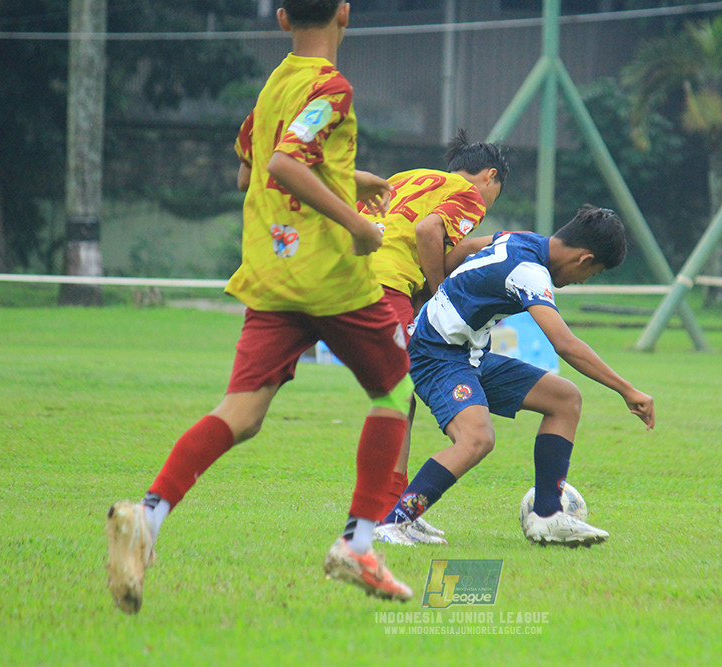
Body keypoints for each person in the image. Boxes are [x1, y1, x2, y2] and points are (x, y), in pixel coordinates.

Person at [104, 0, 415, 614]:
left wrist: (357, 178)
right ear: (345, 13)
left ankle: (148, 516)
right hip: (330, 279)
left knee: (241, 413)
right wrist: (359, 226)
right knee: (394, 391)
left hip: (271, 276)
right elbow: (283, 164)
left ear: (280, 19)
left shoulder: (275, 84)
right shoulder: (333, 87)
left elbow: (252, 162)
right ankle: (359, 542)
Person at [380, 206, 655, 546]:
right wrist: (627, 390)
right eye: (592, 273)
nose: (583, 281)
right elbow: (565, 344)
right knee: (476, 440)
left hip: (469, 355)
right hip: (435, 354)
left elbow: (466, 249)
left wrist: (441, 291)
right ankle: (394, 522)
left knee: (564, 399)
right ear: (584, 259)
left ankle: (548, 516)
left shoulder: (523, 241)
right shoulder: (529, 272)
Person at [359, 129, 510, 545]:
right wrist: (442, 293)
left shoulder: (411, 177)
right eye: (495, 192)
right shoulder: (470, 194)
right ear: (489, 177)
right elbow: (428, 233)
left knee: (398, 394)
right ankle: (384, 514)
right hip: (384, 286)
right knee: (396, 396)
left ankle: (396, 507)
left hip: (349, 277)